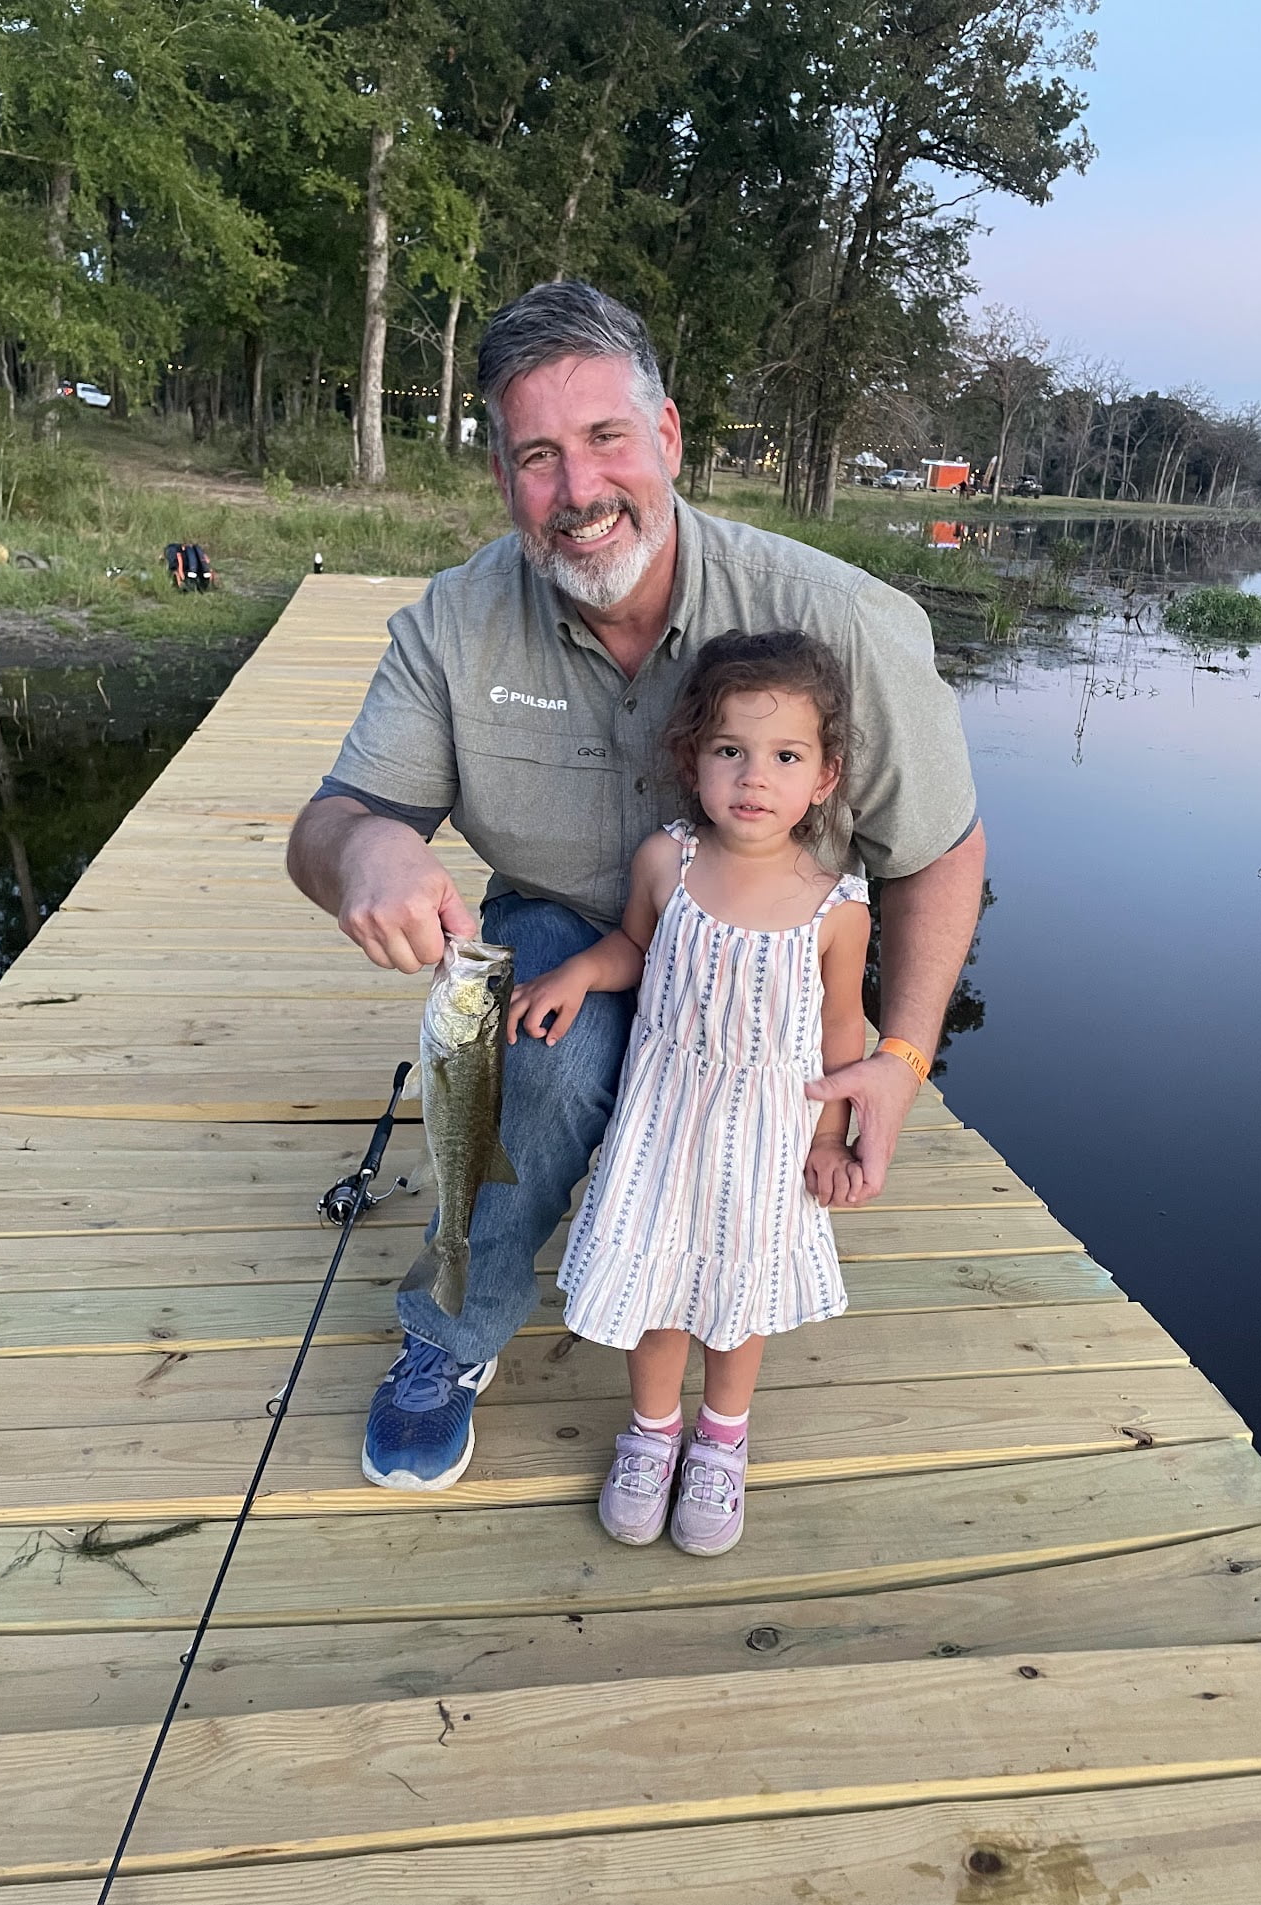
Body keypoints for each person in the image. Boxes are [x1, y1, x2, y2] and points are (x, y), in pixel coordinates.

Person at [286, 279, 985, 1494]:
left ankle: (705, 1411)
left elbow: (938, 848)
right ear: (502, 479)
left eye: (606, 439)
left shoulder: (838, 618)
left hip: (773, 955)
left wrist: (901, 1058)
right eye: (537, 456)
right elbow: (329, 823)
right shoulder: (454, 622)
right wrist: (369, 852)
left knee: (747, 1156)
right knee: (557, 1064)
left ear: (665, 438)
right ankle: (449, 1334)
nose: (578, 490)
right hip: (572, 930)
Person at [507, 631, 869, 1555]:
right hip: (666, 1121)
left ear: (823, 778)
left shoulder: (839, 907)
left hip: (766, 1140)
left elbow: (840, 1037)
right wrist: (579, 976)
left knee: (735, 1299)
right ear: (693, 761)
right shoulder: (666, 861)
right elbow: (634, 947)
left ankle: (721, 1438)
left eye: (786, 756)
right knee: (662, 1285)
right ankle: (654, 1429)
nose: (756, 777)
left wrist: (832, 1139)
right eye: (730, 752)